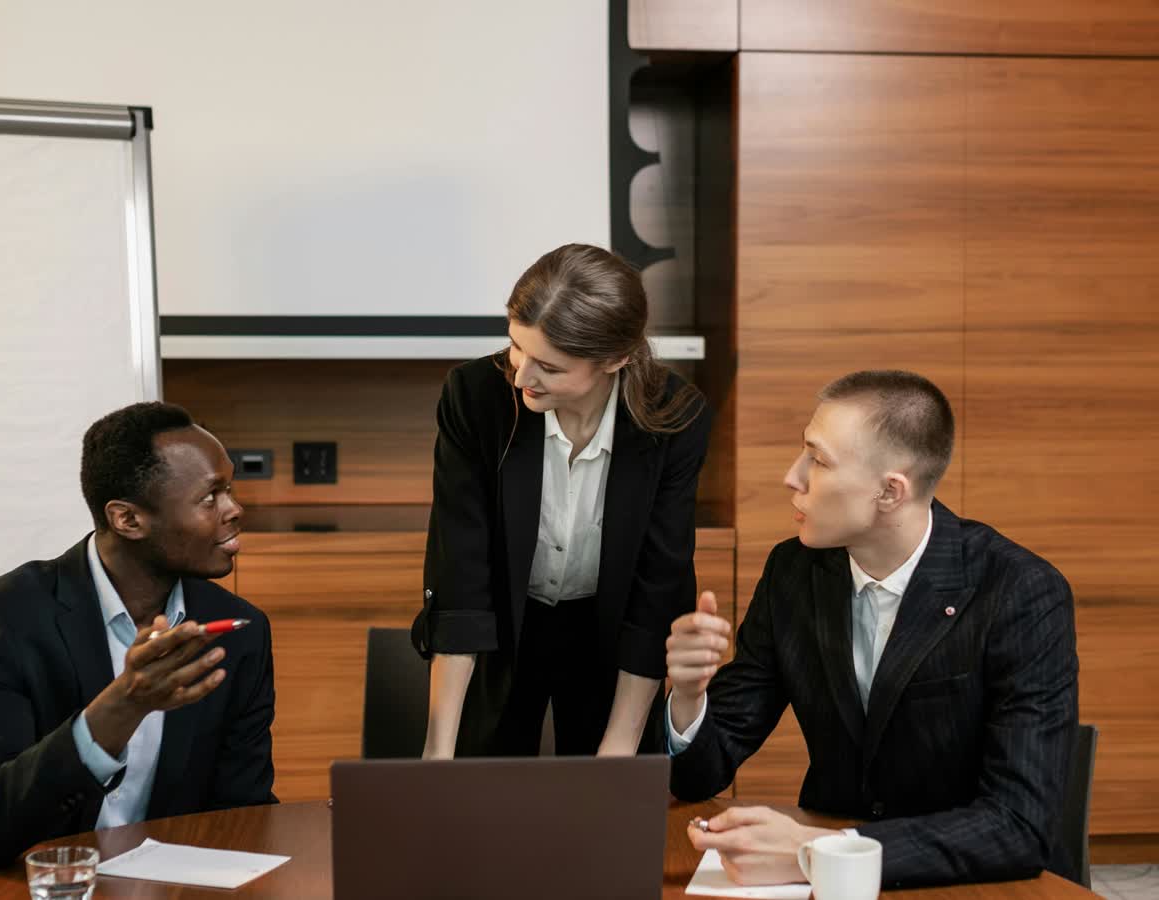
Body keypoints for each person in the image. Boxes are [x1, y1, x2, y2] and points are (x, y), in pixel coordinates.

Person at [665, 370, 1078, 888]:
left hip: (978, 885)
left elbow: (1018, 827)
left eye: (817, 459)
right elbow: (702, 772)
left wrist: (818, 851)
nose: (792, 477)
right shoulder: (794, 573)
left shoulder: (1019, 591)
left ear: (890, 491)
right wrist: (687, 697)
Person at [413, 243, 712, 758]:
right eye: (515, 346)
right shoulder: (475, 396)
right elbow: (460, 575)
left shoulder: (675, 417)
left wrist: (619, 745)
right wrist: (435, 755)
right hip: (505, 623)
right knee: (476, 789)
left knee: (608, 801)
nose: (522, 375)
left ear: (616, 359)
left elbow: (658, 586)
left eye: (549, 367)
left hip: (608, 630)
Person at [0, 402, 276, 868]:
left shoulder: (238, 630)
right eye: (211, 497)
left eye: (229, 489)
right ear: (127, 520)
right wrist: (123, 706)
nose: (235, 510)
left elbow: (242, 813)